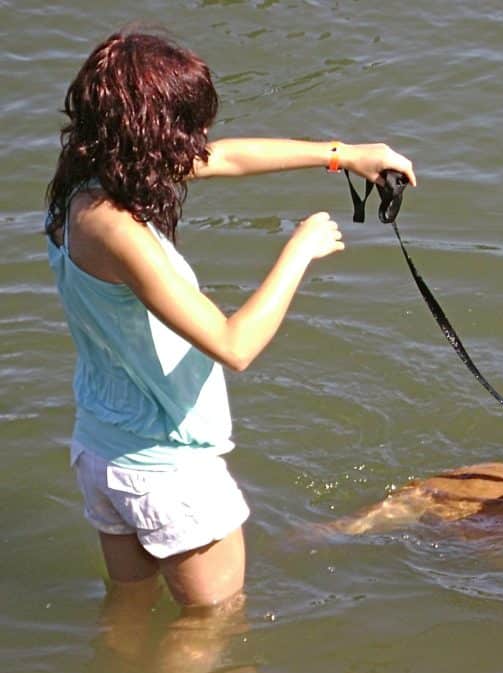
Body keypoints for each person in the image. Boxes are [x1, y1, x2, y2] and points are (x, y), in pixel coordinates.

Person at [45, 28, 416, 613]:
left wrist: (344, 154)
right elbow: (234, 344)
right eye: (185, 127)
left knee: (127, 613)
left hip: (105, 451)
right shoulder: (117, 230)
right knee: (210, 633)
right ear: (151, 131)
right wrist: (302, 249)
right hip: (168, 470)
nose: (196, 142)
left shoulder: (83, 186)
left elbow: (231, 156)